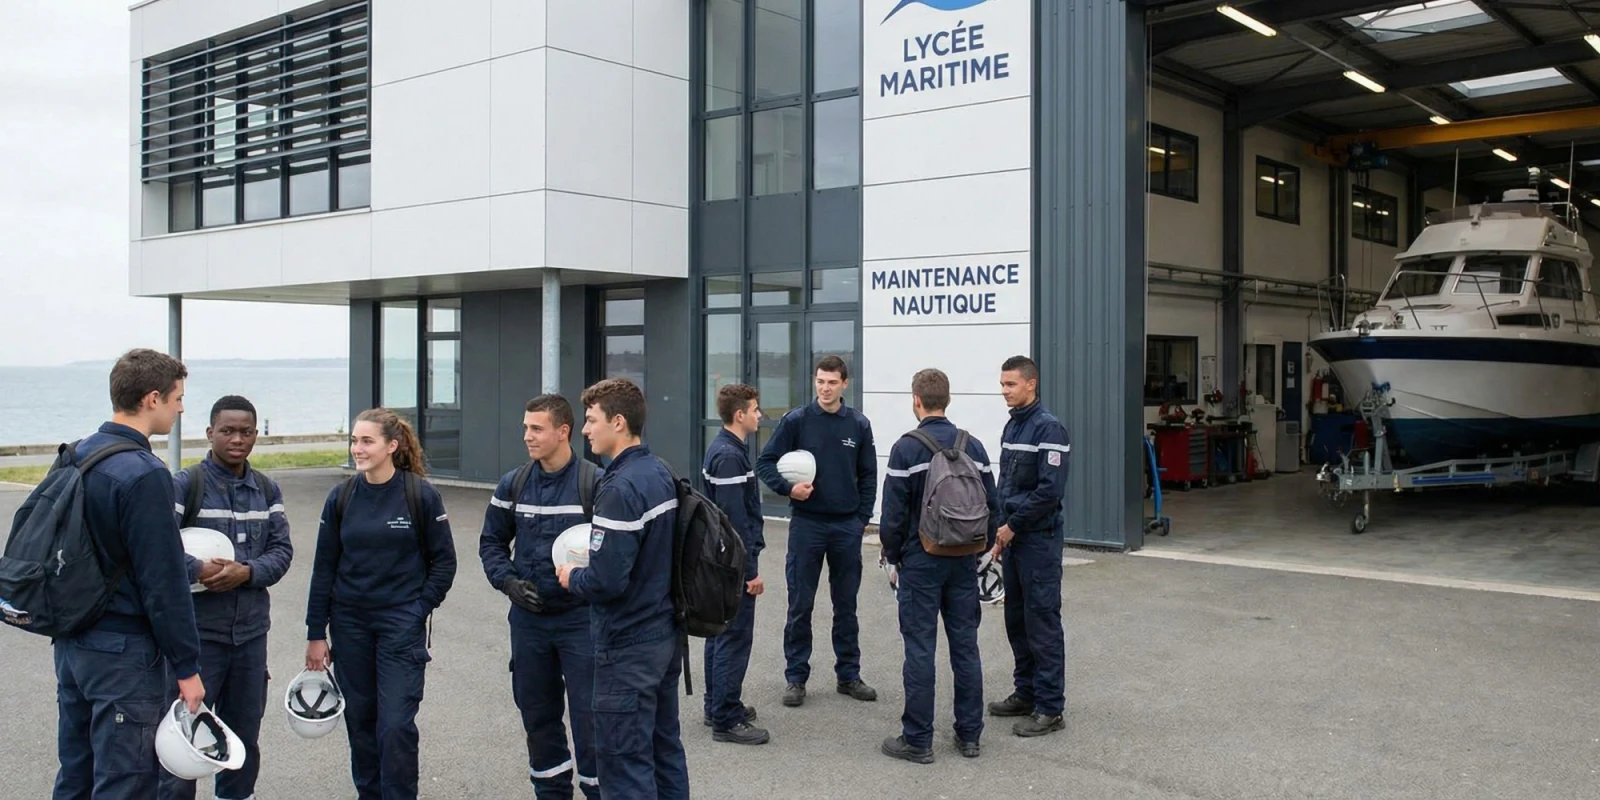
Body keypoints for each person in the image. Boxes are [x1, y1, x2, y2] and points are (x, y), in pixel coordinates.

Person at [50, 348, 205, 799]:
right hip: (122, 654)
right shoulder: (144, 473)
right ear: (153, 398)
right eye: (178, 398)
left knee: (76, 774)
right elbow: (164, 581)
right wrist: (187, 667)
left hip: (72, 643)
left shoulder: (75, 454)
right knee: (126, 782)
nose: (180, 408)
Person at [304, 408, 458, 800]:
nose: (357, 448)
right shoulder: (341, 497)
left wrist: (417, 610)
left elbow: (444, 563)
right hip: (349, 625)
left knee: (395, 726)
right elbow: (324, 568)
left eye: (367, 441)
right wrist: (315, 634)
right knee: (361, 722)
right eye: (354, 440)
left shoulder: (420, 495)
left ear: (392, 445)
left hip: (400, 625)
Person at [556, 378, 689, 798]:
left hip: (628, 645)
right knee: (664, 752)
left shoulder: (618, 488)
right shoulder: (660, 471)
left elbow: (606, 581)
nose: (584, 430)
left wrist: (572, 576)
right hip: (664, 635)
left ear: (618, 422)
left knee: (624, 764)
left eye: (591, 420)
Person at [159, 395, 294, 800]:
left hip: (250, 639)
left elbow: (282, 552)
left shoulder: (267, 489)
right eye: (228, 431)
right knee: (185, 739)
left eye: (246, 431)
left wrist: (247, 572)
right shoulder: (185, 485)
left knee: (243, 739)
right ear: (210, 433)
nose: (237, 439)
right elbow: (158, 549)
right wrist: (198, 570)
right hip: (198, 639)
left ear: (255, 435)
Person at [479, 394, 603, 798]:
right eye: (525, 428)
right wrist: (508, 582)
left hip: (582, 622)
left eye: (536, 429)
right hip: (529, 624)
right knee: (537, 717)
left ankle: (599, 791)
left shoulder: (595, 484)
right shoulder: (513, 484)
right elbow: (491, 544)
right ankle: (551, 793)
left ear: (563, 431)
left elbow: (616, 554)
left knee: (591, 719)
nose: (527, 437)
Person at [877, 368, 1000, 763]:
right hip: (963, 560)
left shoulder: (905, 449)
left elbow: (893, 515)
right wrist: (979, 548)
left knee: (920, 649)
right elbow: (992, 505)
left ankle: (918, 740)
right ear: (947, 400)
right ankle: (970, 736)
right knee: (965, 647)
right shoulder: (973, 446)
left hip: (921, 560)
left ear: (916, 400)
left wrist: (893, 555)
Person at [755, 355, 879, 708]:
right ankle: (796, 678)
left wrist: (861, 519)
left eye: (832, 382)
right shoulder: (797, 420)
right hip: (807, 525)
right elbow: (765, 462)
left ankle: (849, 675)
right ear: (815, 381)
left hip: (845, 526)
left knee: (846, 606)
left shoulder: (858, 424)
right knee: (800, 605)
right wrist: (788, 489)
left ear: (844, 384)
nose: (825, 388)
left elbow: (869, 475)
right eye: (820, 381)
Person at [988, 355, 1070, 737]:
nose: (1004, 391)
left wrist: (1012, 526)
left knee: (1042, 621)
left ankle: (1050, 708)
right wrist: (999, 530)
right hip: (1014, 539)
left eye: (1011, 384)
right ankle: (1026, 693)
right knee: (1017, 620)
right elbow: (1005, 486)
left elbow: (1049, 492)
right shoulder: (1013, 426)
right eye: (1002, 384)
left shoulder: (1049, 429)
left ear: (1031, 384)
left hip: (1038, 541)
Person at [699, 383, 769, 745]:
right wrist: (750, 572)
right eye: (755, 410)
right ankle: (726, 719)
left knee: (720, 632)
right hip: (733, 565)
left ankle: (717, 706)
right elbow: (734, 522)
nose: (760, 415)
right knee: (733, 637)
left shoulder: (730, 450)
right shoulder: (728, 456)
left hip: (723, 563)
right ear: (739, 415)